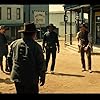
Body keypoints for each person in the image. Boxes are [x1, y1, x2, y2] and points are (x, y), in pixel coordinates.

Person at [7, 22, 46, 94]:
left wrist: (11, 70)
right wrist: (42, 76)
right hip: (31, 78)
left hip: (17, 76)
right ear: (34, 34)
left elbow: (9, 58)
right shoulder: (36, 46)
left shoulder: (14, 43)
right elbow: (41, 63)